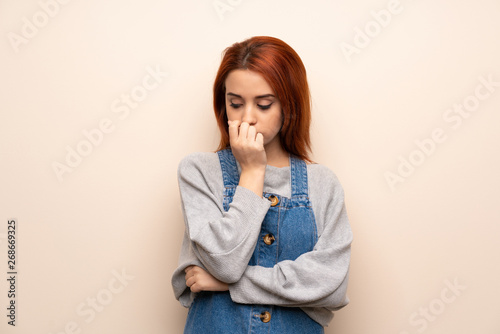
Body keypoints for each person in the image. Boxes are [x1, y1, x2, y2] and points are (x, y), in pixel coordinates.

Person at [171, 36, 353, 333]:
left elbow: (331, 287)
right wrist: (253, 170)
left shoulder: (323, 183)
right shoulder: (198, 172)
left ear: (289, 105)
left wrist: (228, 285)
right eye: (235, 104)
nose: (247, 118)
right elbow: (225, 263)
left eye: (264, 104)